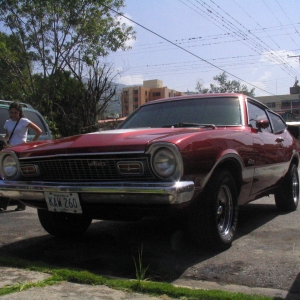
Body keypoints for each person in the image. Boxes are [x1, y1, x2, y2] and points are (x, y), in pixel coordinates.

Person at [3, 102, 42, 211]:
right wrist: (4, 142)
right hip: (10, 150)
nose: (13, 115)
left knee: (20, 176)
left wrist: (31, 143)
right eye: (11, 113)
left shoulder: (24, 121)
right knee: (8, 176)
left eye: (15, 113)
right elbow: (7, 136)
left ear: (19, 113)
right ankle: (3, 204)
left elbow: (38, 131)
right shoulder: (8, 122)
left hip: (21, 150)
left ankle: (21, 204)